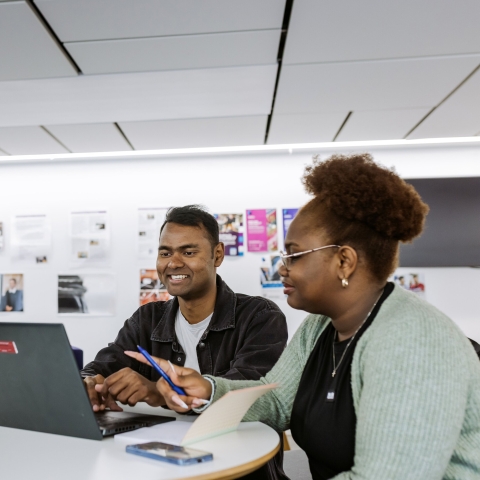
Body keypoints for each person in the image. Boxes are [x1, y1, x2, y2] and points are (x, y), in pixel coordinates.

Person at [129, 155, 480, 479]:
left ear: (344, 261)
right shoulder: (321, 326)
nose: (282, 268)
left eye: (295, 255)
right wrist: (206, 389)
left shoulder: (411, 339)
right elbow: (277, 400)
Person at [82, 205, 288, 479]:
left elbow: (244, 400)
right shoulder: (147, 319)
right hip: (161, 467)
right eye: (165, 252)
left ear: (217, 255)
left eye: (188, 252)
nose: (173, 262)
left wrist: (159, 393)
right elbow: (101, 366)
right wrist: (89, 384)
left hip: (238, 469)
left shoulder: (260, 317)